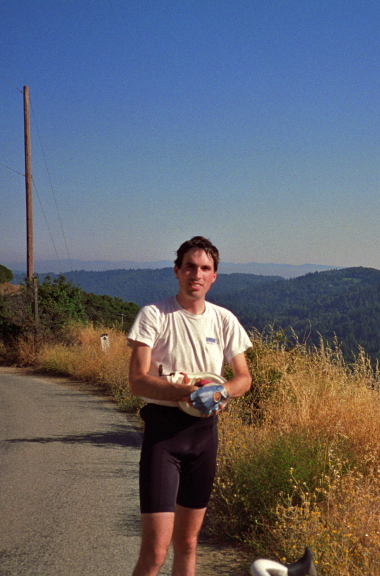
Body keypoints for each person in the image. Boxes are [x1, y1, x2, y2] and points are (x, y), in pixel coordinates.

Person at [126, 236, 253, 576]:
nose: (196, 274)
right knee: (155, 551)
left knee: (188, 544)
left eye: (205, 268)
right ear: (177, 271)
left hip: (203, 437)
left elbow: (244, 378)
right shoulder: (154, 315)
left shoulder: (224, 320)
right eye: (190, 267)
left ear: (214, 276)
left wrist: (220, 391)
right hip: (163, 437)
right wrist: (183, 392)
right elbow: (137, 380)